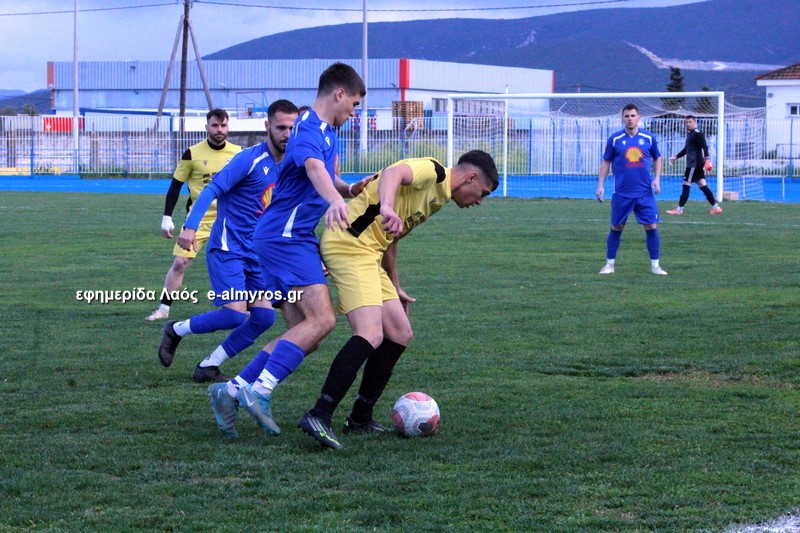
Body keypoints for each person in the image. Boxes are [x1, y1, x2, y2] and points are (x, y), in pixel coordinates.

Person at [205, 62, 367, 439]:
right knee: (323, 320)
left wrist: (348, 189)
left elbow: (325, 174)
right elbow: (312, 167)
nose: (354, 112)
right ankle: (260, 390)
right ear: (339, 94)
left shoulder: (327, 132)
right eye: (355, 104)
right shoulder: (308, 127)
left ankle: (231, 390)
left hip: (283, 237)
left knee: (304, 333)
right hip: (286, 237)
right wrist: (335, 202)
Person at [297, 151, 499, 450]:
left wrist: (395, 285)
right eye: (483, 193)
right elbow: (393, 173)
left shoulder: (439, 198)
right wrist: (388, 207)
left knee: (400, 332)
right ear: (471, 177)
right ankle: (319, 414)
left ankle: (360, 417)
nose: (479, 201)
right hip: (349, 245)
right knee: (369, 333)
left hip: (369, 254)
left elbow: (392, 237)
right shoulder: (433, 171)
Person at [157, 99, 299, 383]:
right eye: (281, 127)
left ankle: (209, 365)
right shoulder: (249, 159)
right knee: (234, 315)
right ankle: (176, 329)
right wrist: (189, 227)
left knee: (264, 317)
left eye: (292, 128)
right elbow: (211, 191)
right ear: (267, 126)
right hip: (227, 246)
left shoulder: (291, 164)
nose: (287, 134)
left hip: (257, 252)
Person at [146, 109, 241, 321]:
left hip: (230, 219)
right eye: (215, 125)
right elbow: (175, 186)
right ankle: (163, 309)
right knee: (180, 262)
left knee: (242, 262)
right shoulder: (192, 153)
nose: (219, 130)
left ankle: (249, 304)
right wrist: (167, 217)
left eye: (223, 125)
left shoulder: (238, 153)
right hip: (197, 221)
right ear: (206, 127)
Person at [596, 103, 667, 276]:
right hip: (622, 193)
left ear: (639, 117)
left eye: (633, 116)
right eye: (627, 116)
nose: (630, 119)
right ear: (622, 118)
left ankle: (655, 266)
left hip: (644, 193)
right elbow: (606, 162)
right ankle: (609, 265)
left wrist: (657, 179)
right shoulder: (615, 139)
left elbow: (657, 158)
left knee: (651, 226)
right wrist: (600, 185)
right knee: (616, 227)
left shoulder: (648, 138)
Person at [666, 115, 723, 215]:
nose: (688, 124)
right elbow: (686, 149)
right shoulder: (691, 134)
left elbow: (705, 147)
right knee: (703, 185)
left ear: (695, 122)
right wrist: (676, 156)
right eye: (686, 122)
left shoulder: (698, 134)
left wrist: (707, 160)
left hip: (693, 165)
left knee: (686, 185)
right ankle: (716, 207)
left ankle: (679, 209)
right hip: (696, 165)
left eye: (690, 122)